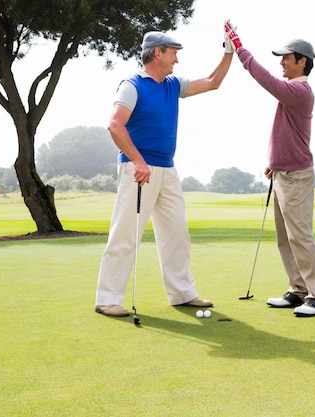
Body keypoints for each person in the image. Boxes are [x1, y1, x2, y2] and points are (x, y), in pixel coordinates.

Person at [95, 26, 234, 317]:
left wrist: (228, 51)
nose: (177, 60)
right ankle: (107, 299)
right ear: (157, 53)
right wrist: (138, 161)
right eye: (173, 54)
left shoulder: (173, 85)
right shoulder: (132, 85)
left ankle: (182, 293)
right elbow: (115, 125)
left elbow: (212, 82)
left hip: (168, 170)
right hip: (138, 170)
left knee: (176, 233)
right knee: (125, 234)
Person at [225, 21, 315, 317]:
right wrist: (274, 162)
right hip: (283, 173)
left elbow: (267, 81)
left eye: (287, 57)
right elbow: (283, 133)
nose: (282, 62)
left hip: (297, 176)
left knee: (301, 235)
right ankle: (298, 290)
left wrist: (240, 48)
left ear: (302, 62)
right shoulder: (291, 92)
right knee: (285, 238)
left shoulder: (301, 91)